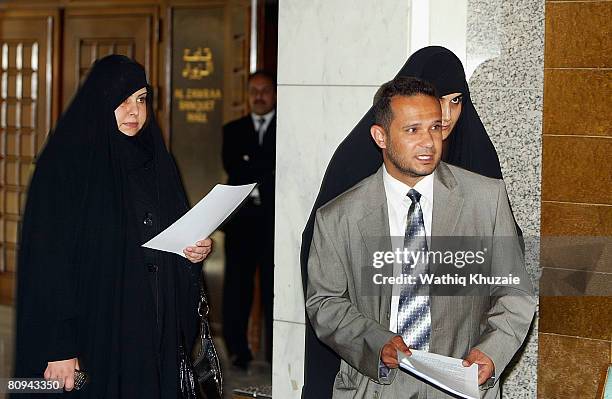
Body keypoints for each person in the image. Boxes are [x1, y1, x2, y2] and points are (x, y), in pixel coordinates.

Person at [300, 46, 522, 397]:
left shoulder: (485, 199)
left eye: (434, 127)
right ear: (381, 137)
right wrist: (375, 343)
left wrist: (492, 352)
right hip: (375, 385)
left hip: (459, 383)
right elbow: (324, 302)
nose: (430, 140)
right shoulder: (340, 215)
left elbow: (514, 291)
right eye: (413, 130)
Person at [14, 55, 212, 398]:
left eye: (140, 99)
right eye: (122, 101)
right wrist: (59, 344)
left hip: (151, 321)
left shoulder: (157, 160)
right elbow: (48, 263)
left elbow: (172, 233)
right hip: (94, 327)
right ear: (100, 101)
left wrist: (192, 253)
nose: (134, 111)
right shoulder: (65, 166)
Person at [221, 70, 276, 369]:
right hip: (241, 222)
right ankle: (238, 351)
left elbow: (256, 168)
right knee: (237, 289)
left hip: (273, 223)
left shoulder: (286, 126)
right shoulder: (233, 129)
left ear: (275, 93)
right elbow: (234, 168)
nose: (258, 96)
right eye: (253, 90)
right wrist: (265, 168)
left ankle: (272, 352)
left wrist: (249, 164)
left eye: (265, 90)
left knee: (272, 287)